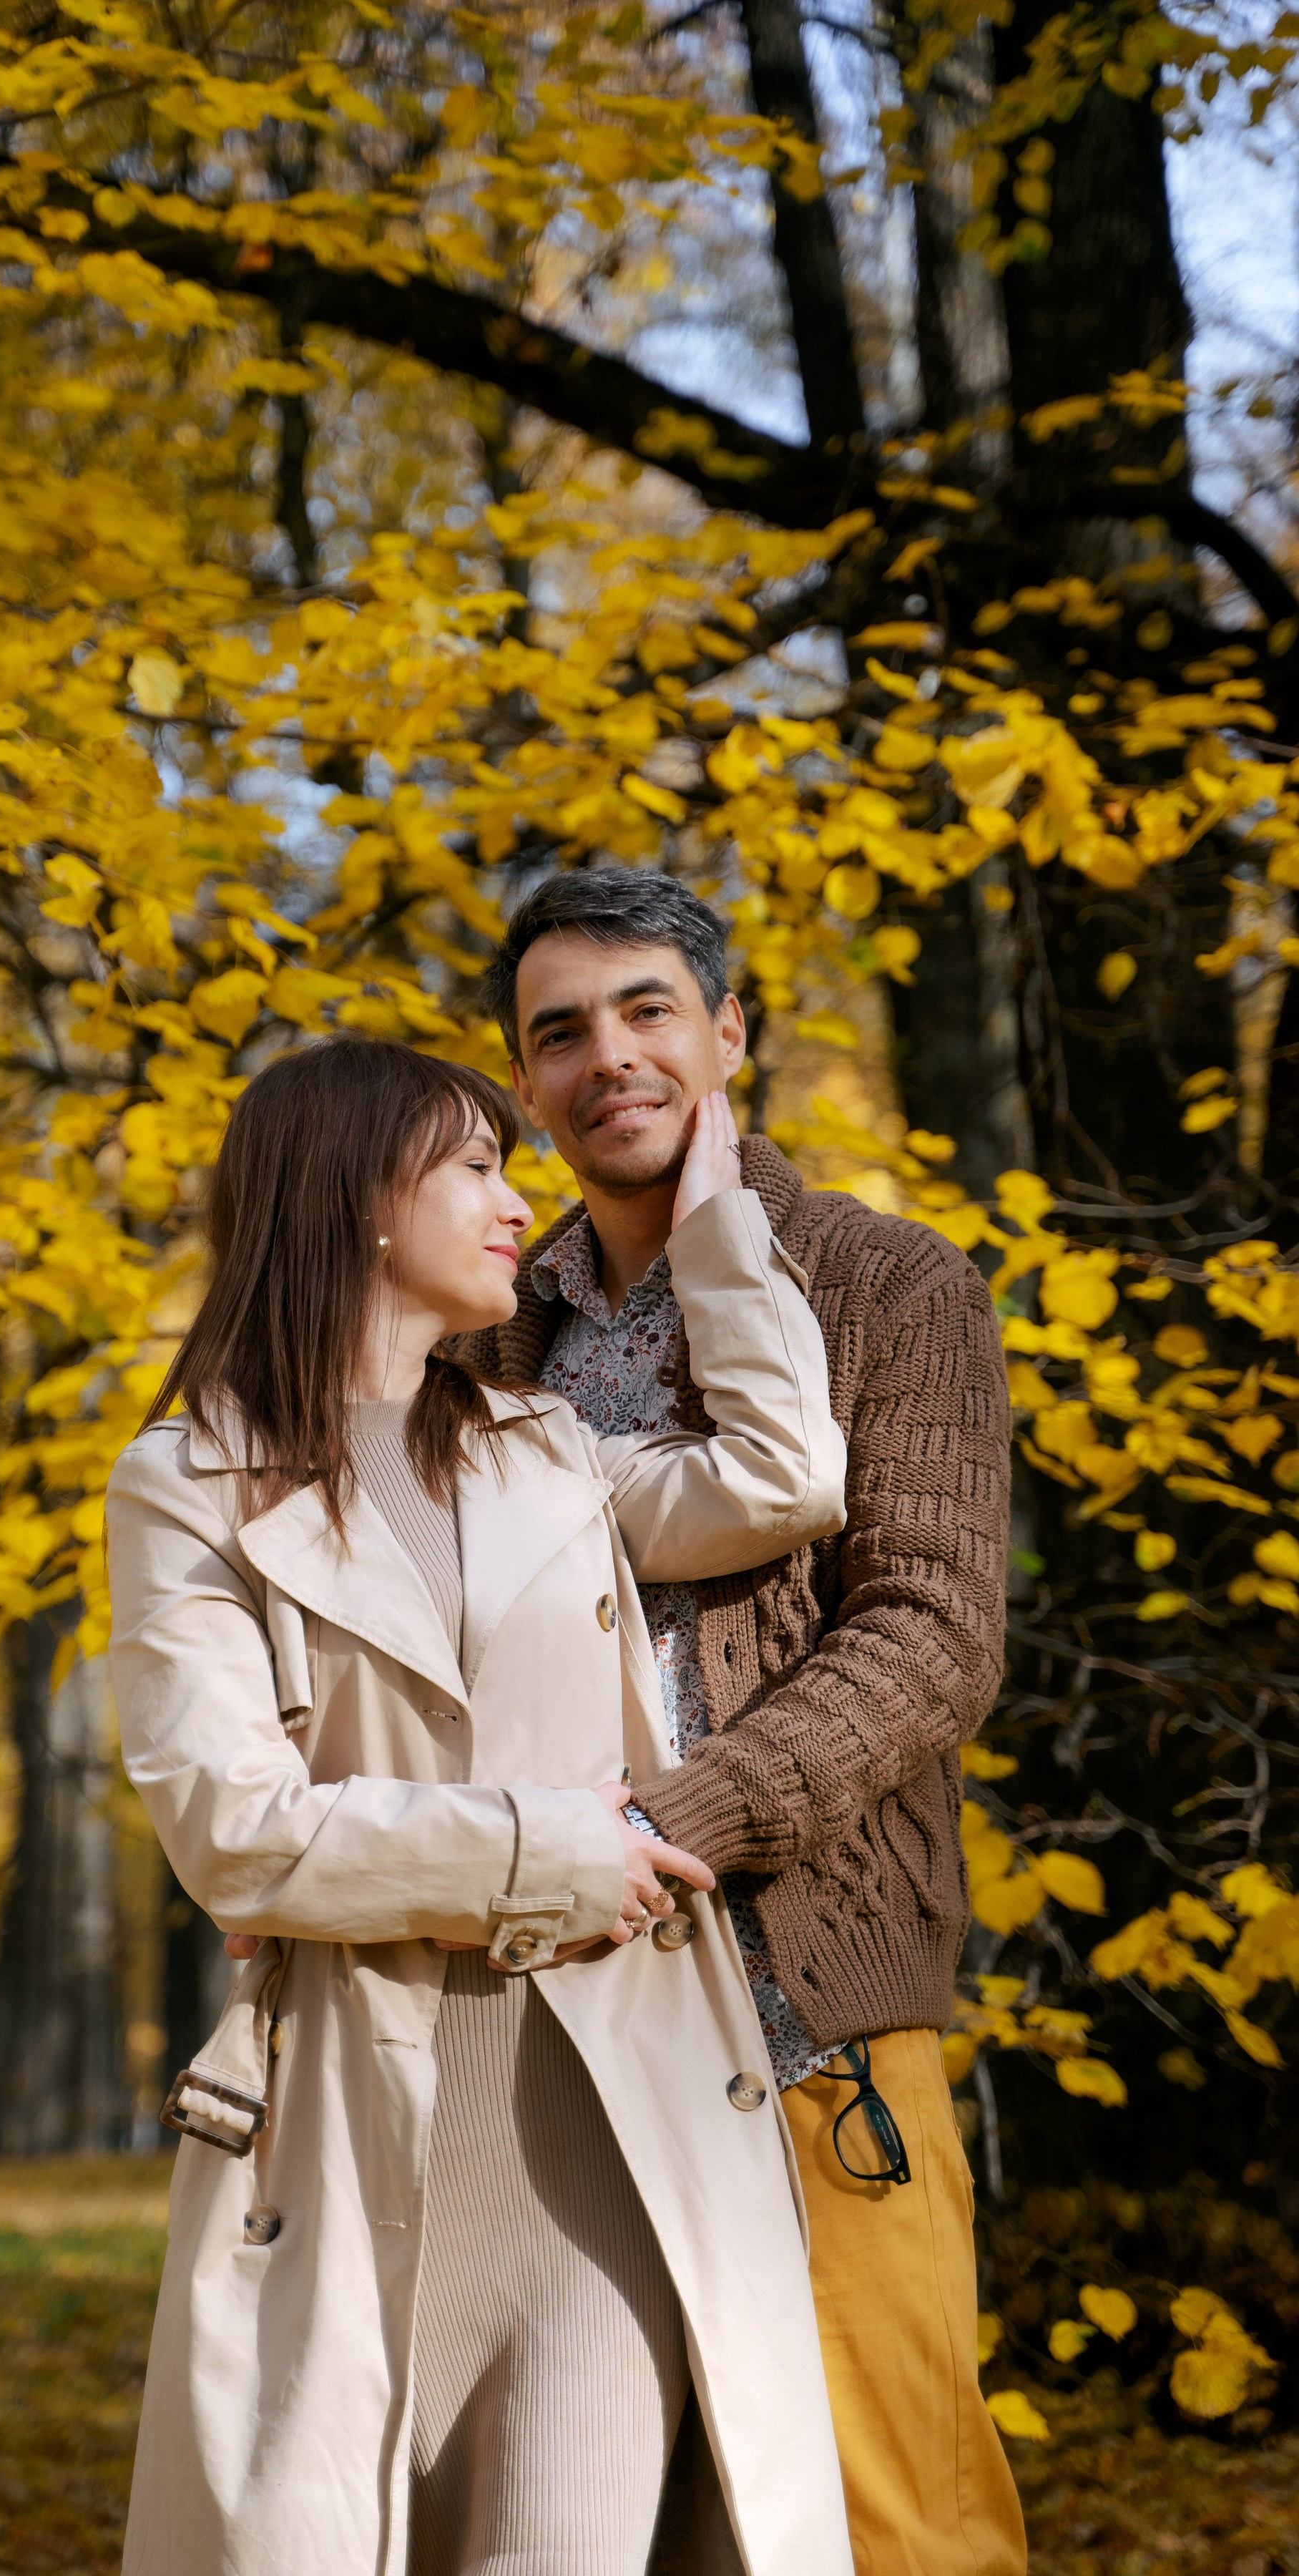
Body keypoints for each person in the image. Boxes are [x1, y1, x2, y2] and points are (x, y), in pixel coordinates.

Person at [105, 1034, 854, 2576]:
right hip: (343, 2124)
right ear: (359, 1202)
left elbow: (787, 1477)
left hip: (598, 2119)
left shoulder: (551, 1456)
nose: (523, 1203)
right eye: (476, 1166)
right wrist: (555, 1846)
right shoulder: (184, 1482)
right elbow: (235, 1831)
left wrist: (719, 1224)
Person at [464, 865, 1024, 2576]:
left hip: (801, 2008)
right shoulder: (483, 1334)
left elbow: (930, 1634)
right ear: (525, 1079)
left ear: (731, 1035)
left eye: (646, 1011)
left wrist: (682, 1820)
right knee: (589, 2521)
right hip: (537, 2027)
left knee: (886, 2518)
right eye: (557, 1033)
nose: (605, 1058)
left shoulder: (889, 1286)